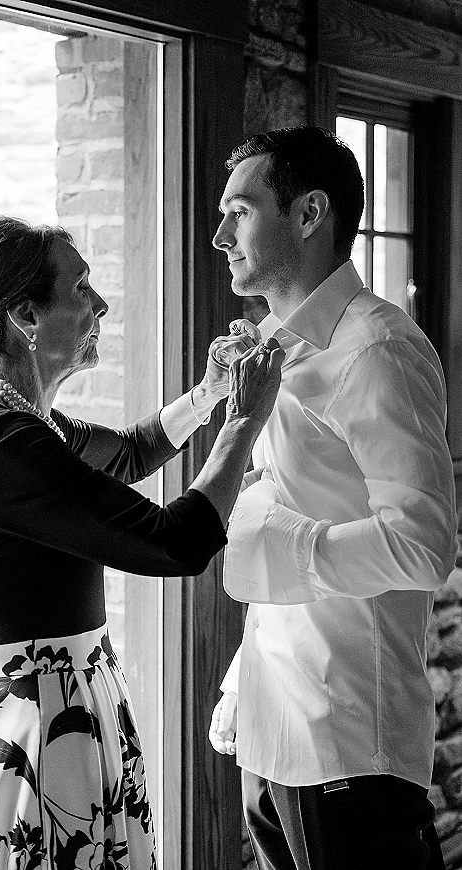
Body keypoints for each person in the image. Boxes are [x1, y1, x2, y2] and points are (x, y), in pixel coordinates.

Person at [0, 215, 285, 870]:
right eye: (82, 288)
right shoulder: (1, 446)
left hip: (63, 706)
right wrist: (246, 422)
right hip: (37, 736)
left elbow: (132, 452)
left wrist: (208, 396)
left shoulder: (18, 423)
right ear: (26, 317)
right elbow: (179, 542)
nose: (101, 304)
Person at [208, 127, 457, 870]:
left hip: (348, 743)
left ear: (310, 213)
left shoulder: (379, 350)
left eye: (240, 212)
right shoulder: (276, 349)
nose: (220, 235)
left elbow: (422, 544)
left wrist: (274, 548)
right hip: (275, 725)